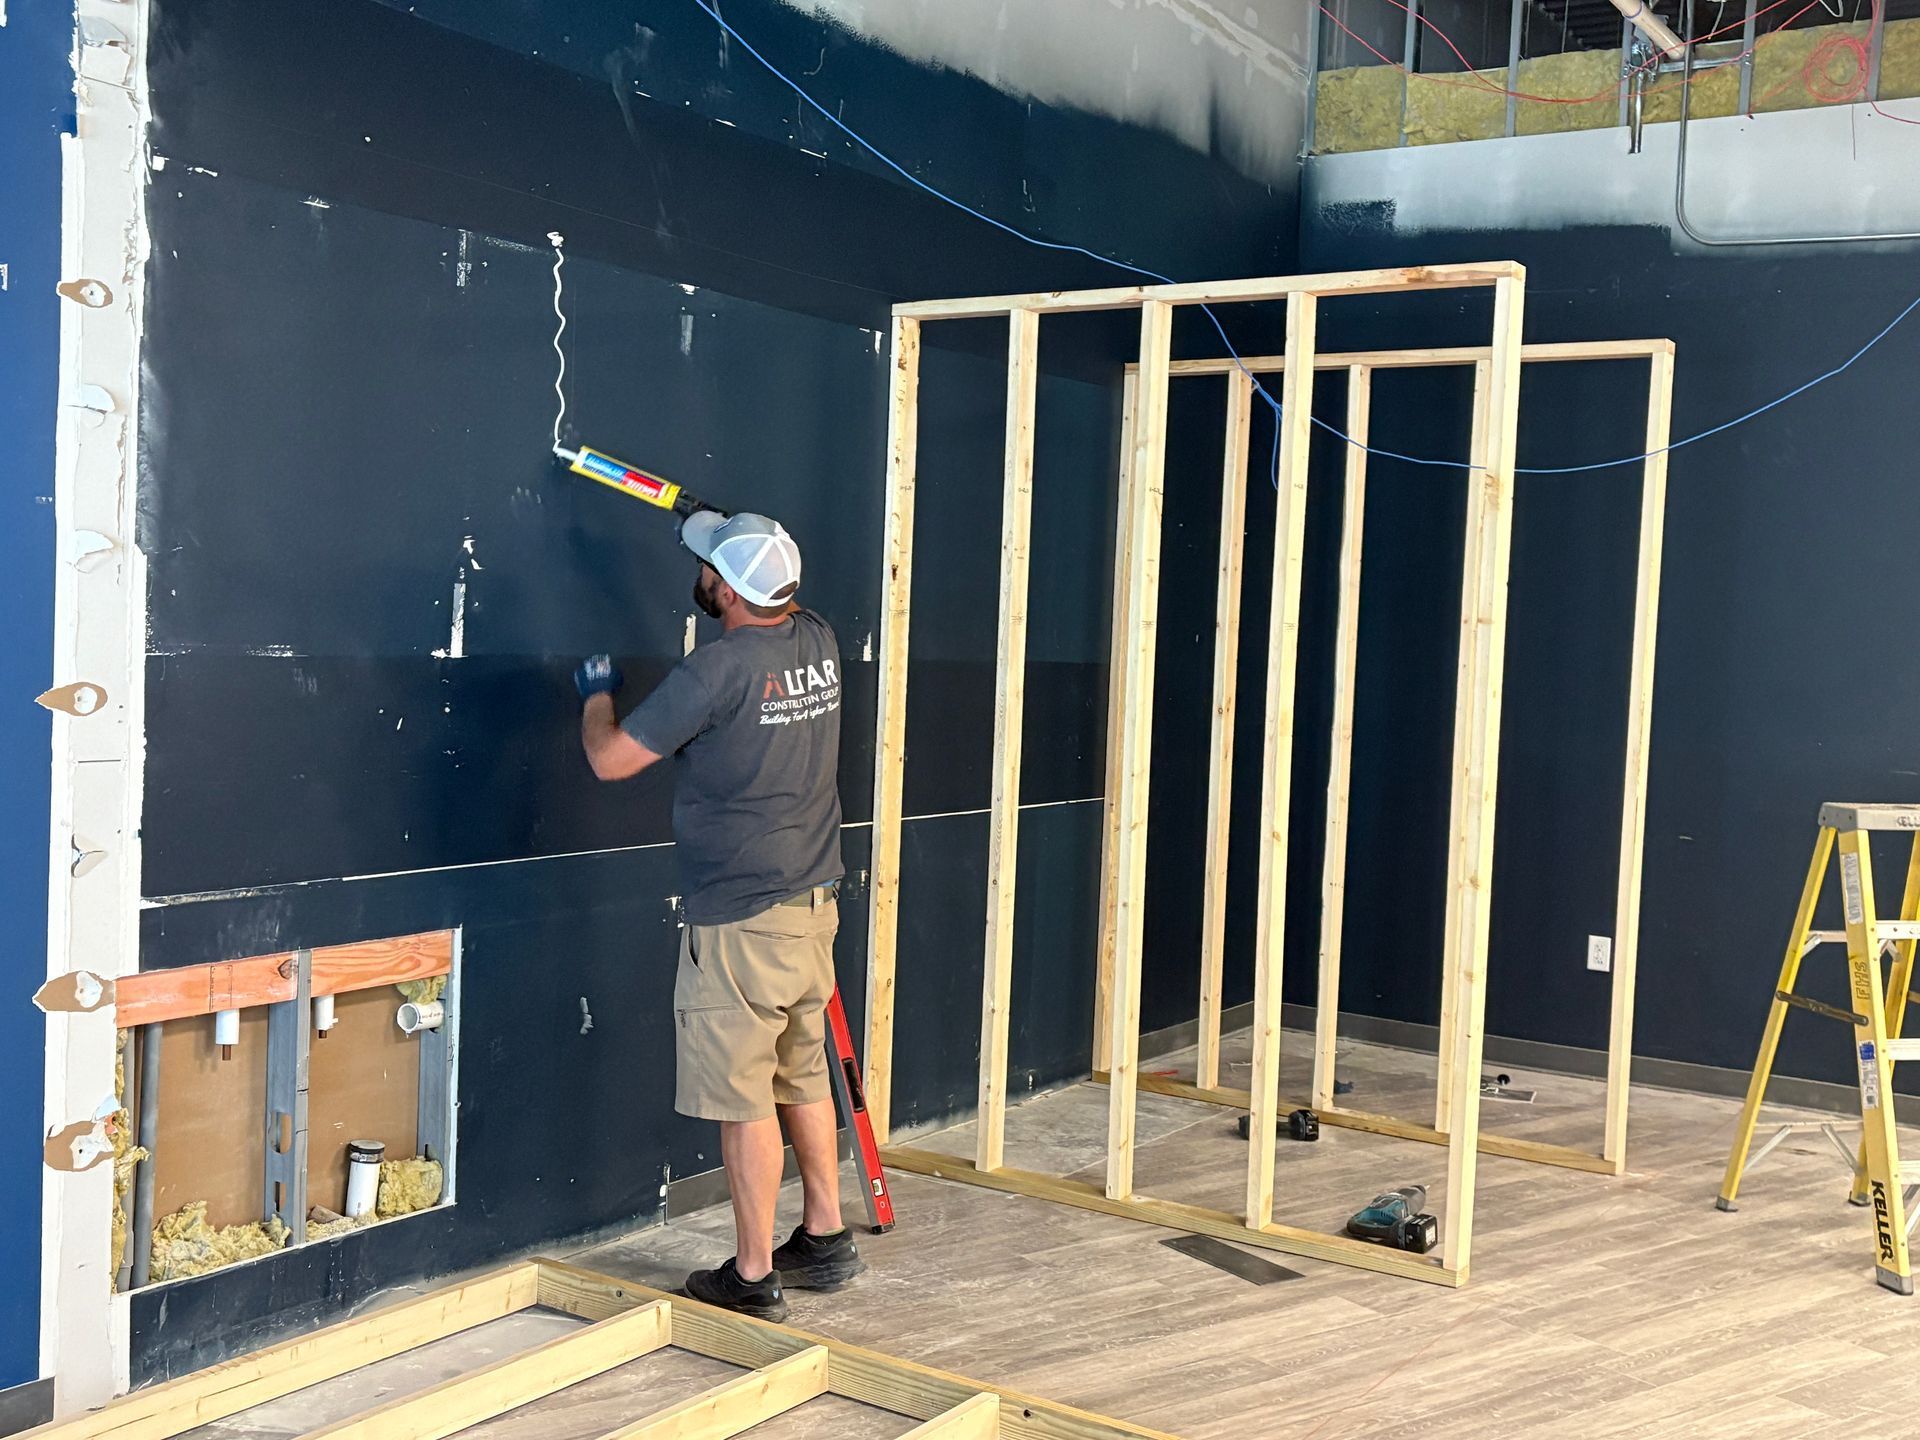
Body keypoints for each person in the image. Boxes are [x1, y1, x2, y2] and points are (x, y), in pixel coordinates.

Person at [574, 510, 861, 1321]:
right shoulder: (820, 639)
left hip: (740, 920)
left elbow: (610, 759)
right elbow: (762, 580)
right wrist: (723, 525)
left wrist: (597, 696)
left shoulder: (718, 672)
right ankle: (827, 1237)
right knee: (801, 1074)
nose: (698, 578)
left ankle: (753, 1272)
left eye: (708, 568)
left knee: (743, 1099)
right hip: (811, 910)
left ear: (728, 592)